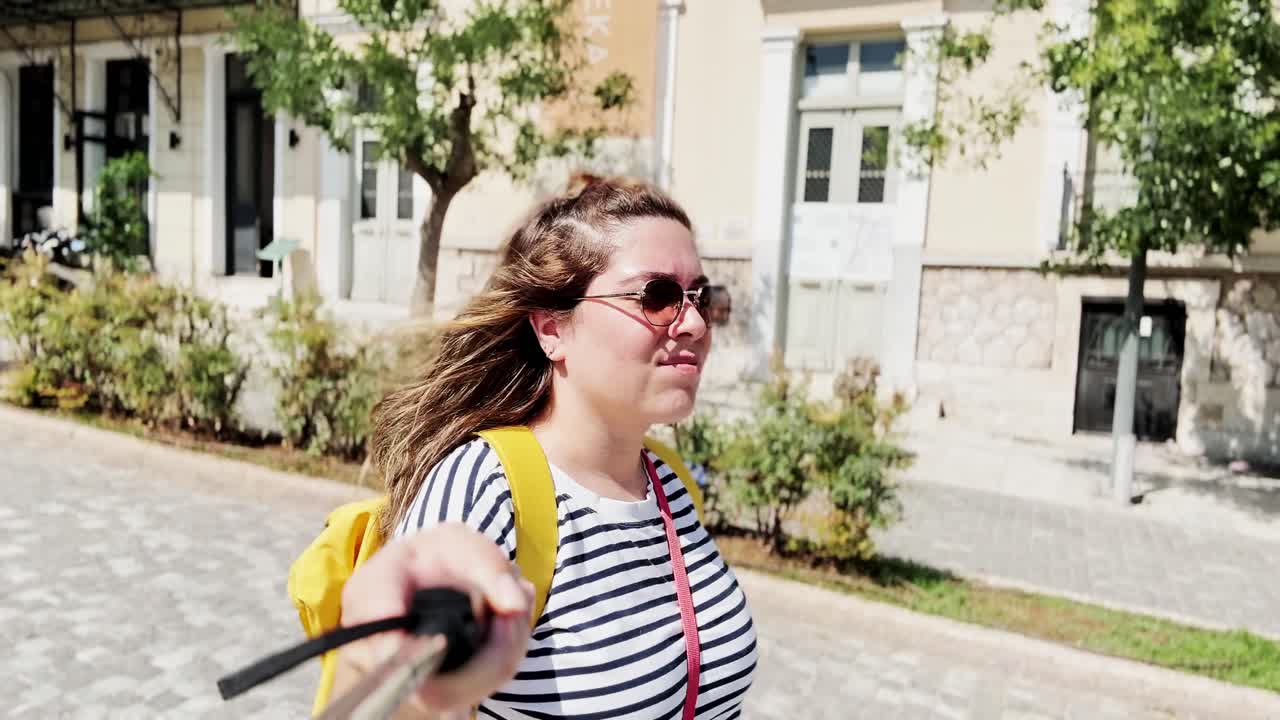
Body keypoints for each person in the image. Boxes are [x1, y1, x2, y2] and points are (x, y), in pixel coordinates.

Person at [331, 175, 757, 719]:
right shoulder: (487, 486)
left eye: (701, 295)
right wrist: (387, 669)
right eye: (657, 296)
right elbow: (384, 697)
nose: (695, 323)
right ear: (552, 328)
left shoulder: (668, 482)